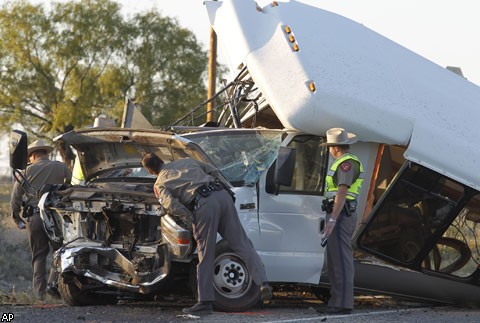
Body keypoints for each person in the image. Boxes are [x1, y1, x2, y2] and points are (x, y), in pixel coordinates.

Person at [141, 153, 272, 315]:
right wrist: (226, 189)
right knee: (242, 243)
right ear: (162, 160)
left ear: (150, 172)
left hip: (204, 204)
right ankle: (263, 283)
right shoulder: (187, 161)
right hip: (223, 196)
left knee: (206, 254)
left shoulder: (159, 183)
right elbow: (213, 170)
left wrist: (190, 217)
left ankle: (204, 303)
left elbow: (170, 204)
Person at [10, 139, 72, 300]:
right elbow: (71, 187)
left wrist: (16, 217)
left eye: (30, 157)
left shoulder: (26, 171)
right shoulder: (61, 167)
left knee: (39, 256)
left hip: (35, 217)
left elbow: (15, 198)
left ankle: (39, 295)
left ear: (34, 155)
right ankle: (55, 285)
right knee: (60, 253)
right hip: (56, 217)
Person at [319, 128, 363, 315]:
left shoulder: (346, 164)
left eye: (330, 146)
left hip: (341, 216)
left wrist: (333, 220)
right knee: (335, 260)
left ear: (335, 147)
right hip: (339, 215)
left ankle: (343, 303)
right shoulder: (342, 162)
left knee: (341, 260)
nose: (329, 150)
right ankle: (336, 300)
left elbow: (342, 192)